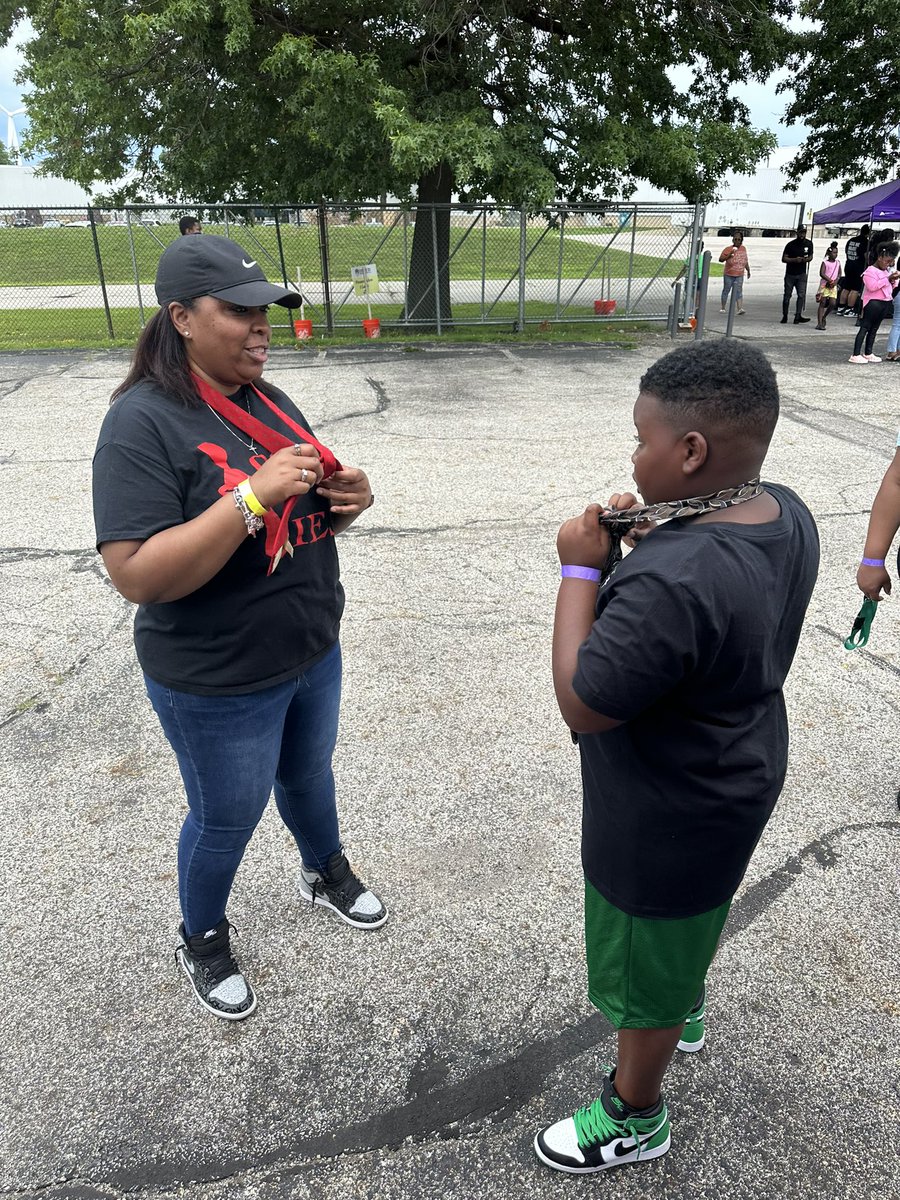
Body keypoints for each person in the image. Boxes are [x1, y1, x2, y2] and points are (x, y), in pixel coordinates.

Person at [534, 339, 818, 1175]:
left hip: (662, 809)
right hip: (738, 772)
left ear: (691, 451)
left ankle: (636, 1112)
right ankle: (682, 1000)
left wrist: (581, 571)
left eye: (640, 439)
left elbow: (584, 699)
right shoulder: (783, 508)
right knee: (692, 915)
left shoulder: (673, 578)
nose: (632, 454)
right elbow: (711, 610)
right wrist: (661, 534)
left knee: (641, 957)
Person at [92, 235, 385, 1022]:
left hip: (307, 646)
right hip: (216, 675)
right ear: (182, 317)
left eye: (266, 311)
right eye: (239, 312)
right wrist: (248, 501)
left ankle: (323, 870)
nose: (261, 327)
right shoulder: (141, 424)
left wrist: (349, 502)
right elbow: (137, 574)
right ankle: (203, 936)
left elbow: (304, 509)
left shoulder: (268, 399)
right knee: (227, 815)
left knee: (308, 775)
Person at [848, 241, 900, 364]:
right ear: (880, 257)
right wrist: (887, 279)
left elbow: (890, 287)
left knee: (874, 329)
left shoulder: (886, 271)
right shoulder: (870, 271)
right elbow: (872, 286)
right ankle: (855, 354)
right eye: (886, 261)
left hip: (884, 302)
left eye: (890, 262)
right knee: (865, 327)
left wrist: (893, 280)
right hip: (872, 303)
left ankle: (868, 352)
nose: (888, 264)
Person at [837, 225, 869, 316]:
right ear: (868, 233)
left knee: (846, 287)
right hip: (858, 267)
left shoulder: (851, 240)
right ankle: (850, 309)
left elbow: (846, 251)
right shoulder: (865, 242)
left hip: (848, 265)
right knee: (855, 289)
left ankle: (841, 307)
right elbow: (866, 255)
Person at [718, 231, 750, 315]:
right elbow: (721, 259)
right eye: (735, 239)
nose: (737, 241)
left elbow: (745, 260)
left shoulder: (743, 249)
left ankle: (739, 308)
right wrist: (730, 254)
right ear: (733, 240)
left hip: (739, 274)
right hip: (729, 274)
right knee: (726, 290)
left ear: (741, 240)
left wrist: (748, 270)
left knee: (739, 291)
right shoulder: (728, 249)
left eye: (739, 239)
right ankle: (723, 307)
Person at [815, 244, 841, 329]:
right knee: (822, 302)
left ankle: (824, 316)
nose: (835, 254)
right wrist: (830, 280)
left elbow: (839, 273)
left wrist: (835, 281)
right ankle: (819, 323)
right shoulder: (825, 262)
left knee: (832, 303)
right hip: (824, 285)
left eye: (836, 252)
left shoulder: (838, 262)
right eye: (834, 253)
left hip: (833, 285)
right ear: (829, 254)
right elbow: (822, 273)